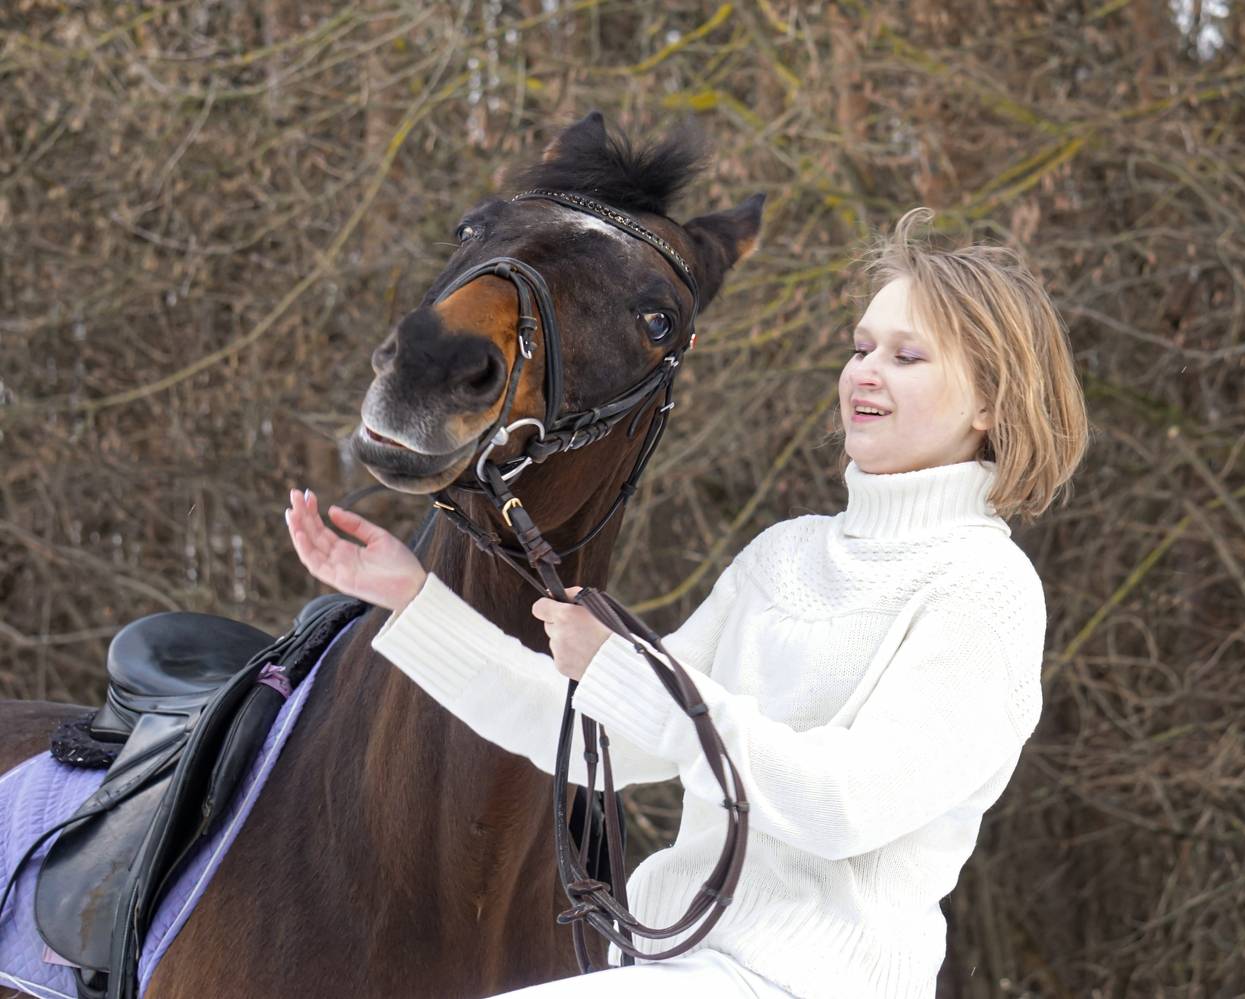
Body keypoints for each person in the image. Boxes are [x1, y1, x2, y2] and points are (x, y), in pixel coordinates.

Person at [284, 207, 1089, 998]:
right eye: (860, 347)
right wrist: (413, 601)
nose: (865, 373)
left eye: (907, 355)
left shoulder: (984, 588)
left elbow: (844, 803)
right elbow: (599, 737)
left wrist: (632, 677)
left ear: (990, 401)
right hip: (676, 970)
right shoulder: (787, 554)